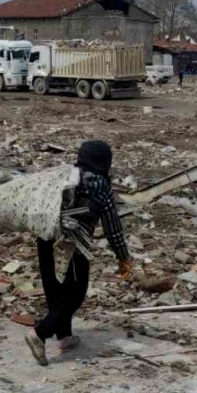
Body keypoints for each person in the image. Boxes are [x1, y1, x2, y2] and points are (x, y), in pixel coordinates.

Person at [24, 141, 132, 366]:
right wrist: (122, 256)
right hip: (72, 243)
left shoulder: (64, 175)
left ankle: (64, 337)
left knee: (54, 289)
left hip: (46, 236)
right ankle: (40, 334)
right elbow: (112, 227)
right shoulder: (100, 184)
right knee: (74, 293)